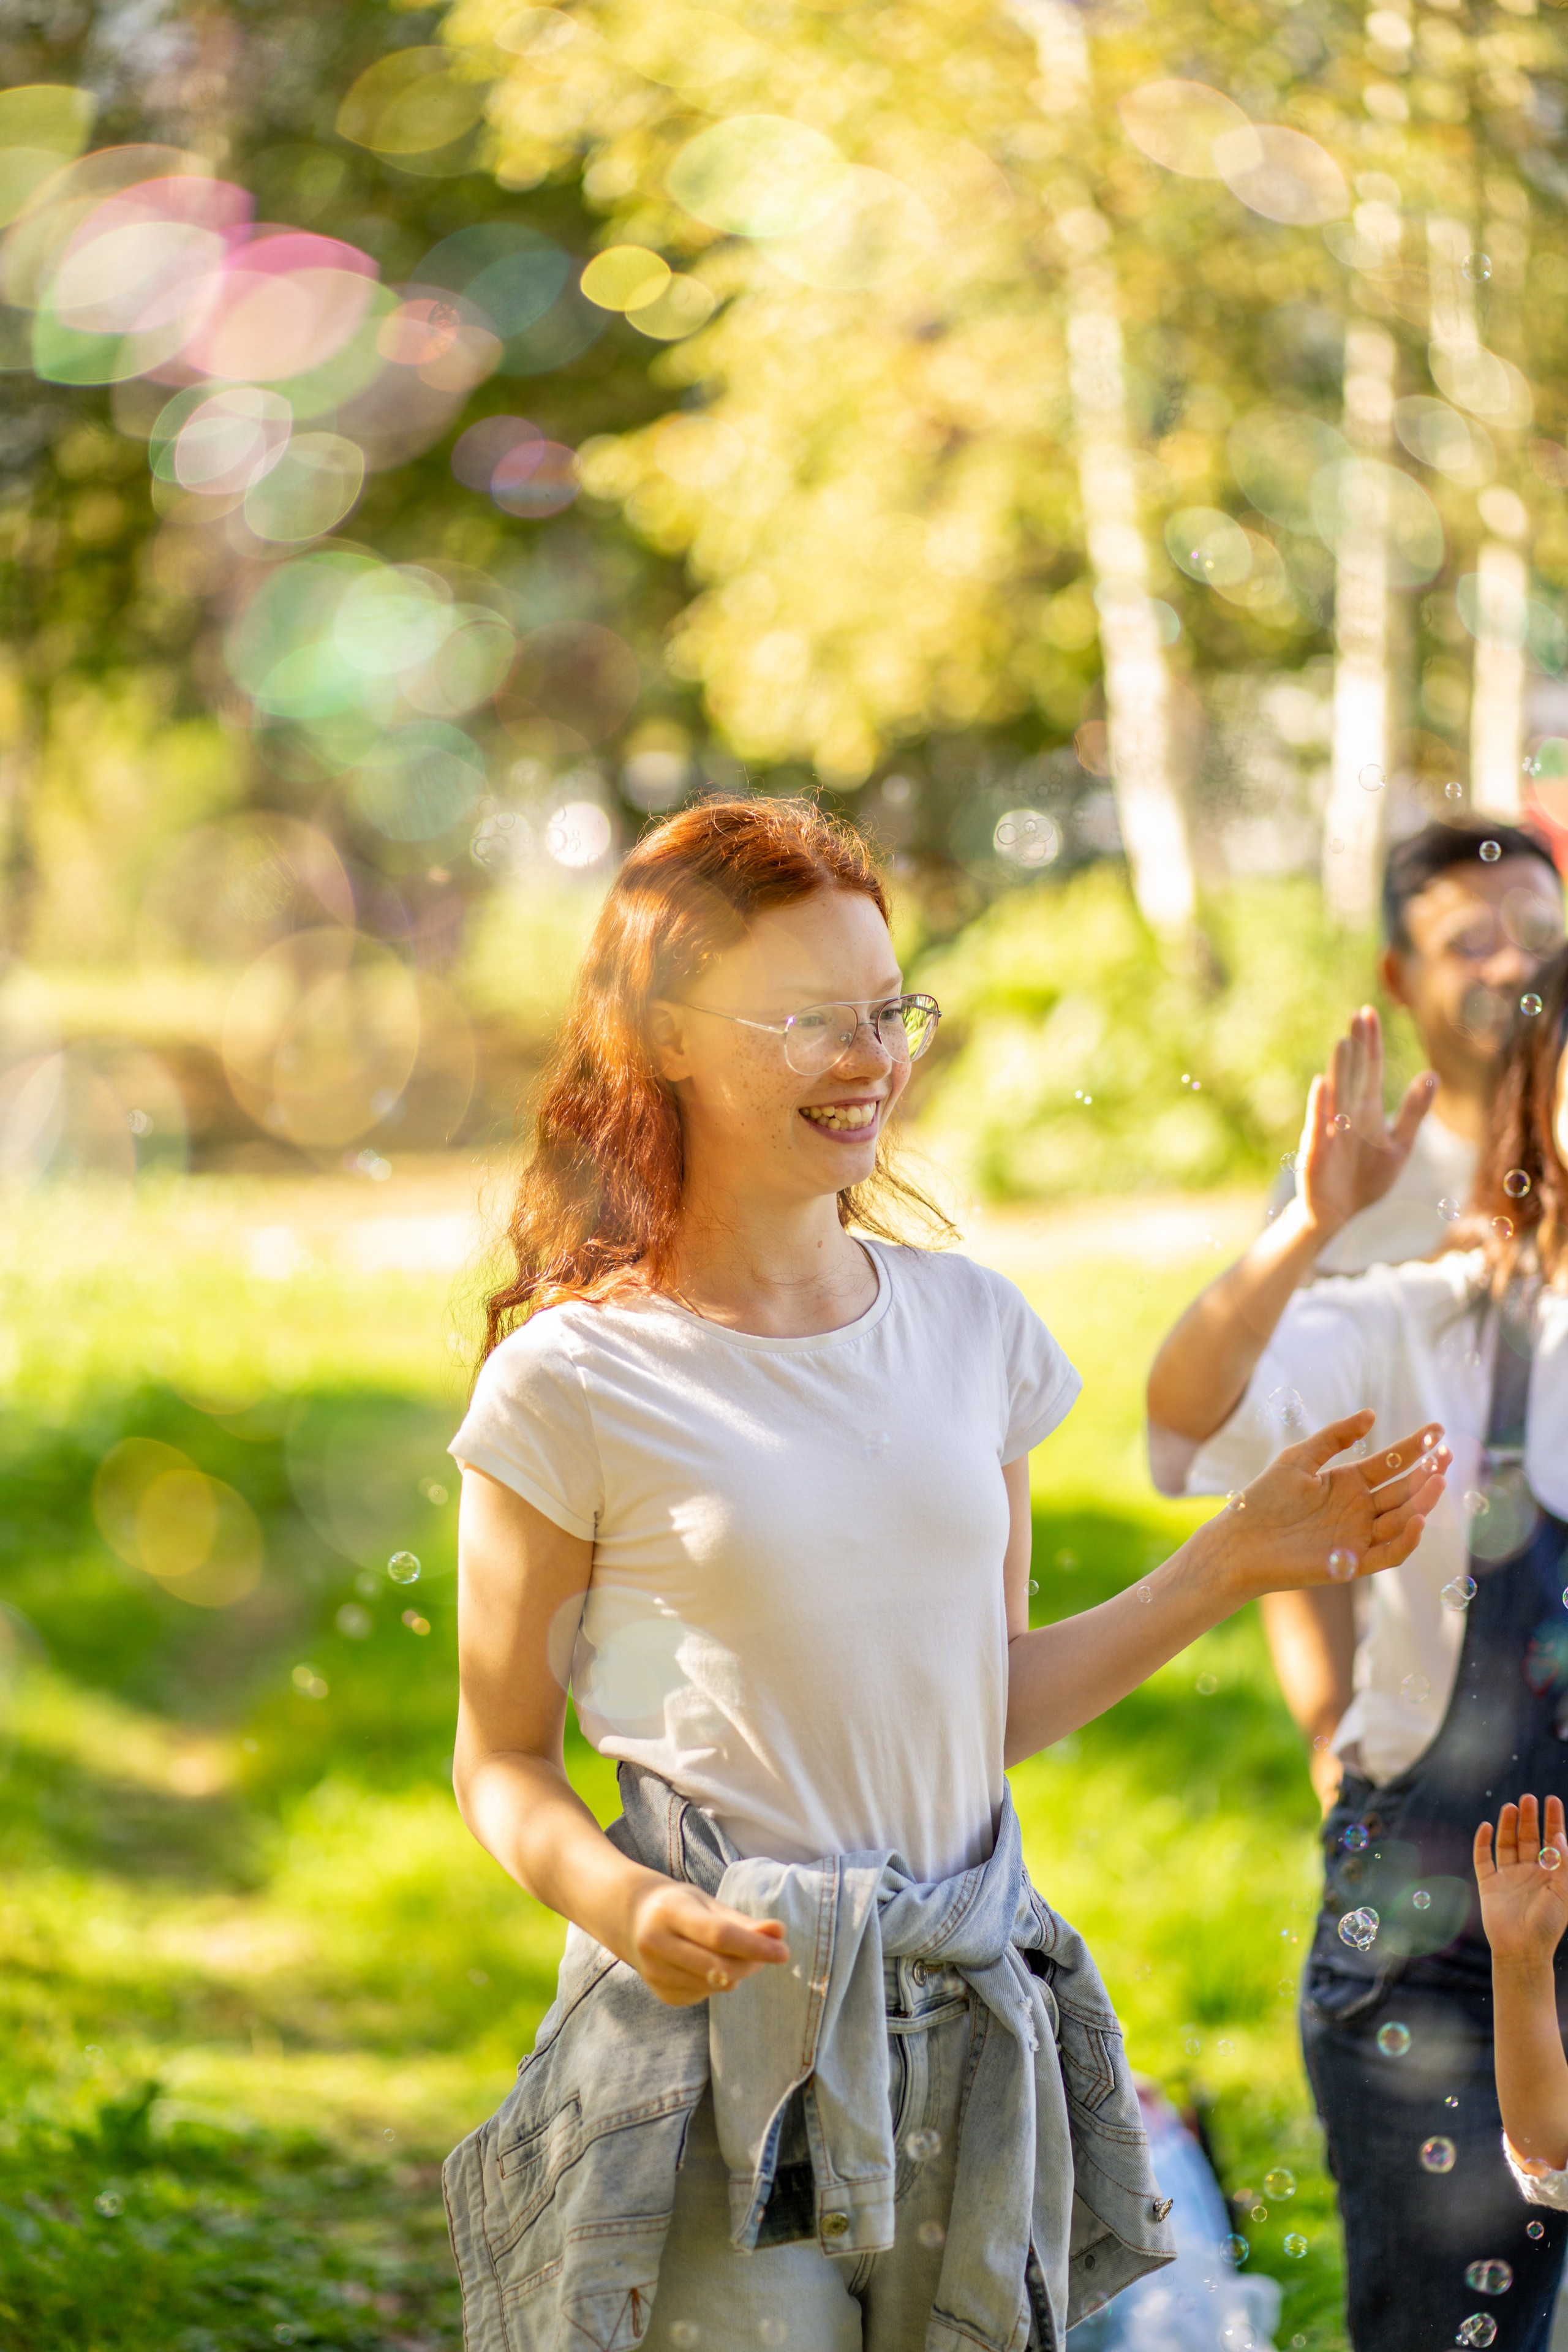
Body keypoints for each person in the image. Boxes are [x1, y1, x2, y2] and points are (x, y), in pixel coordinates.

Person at [437, 797, 1444, 2351]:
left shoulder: (974, 1332)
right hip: (716, 2057)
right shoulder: (573, 1383)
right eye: (807, 1021)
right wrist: (624, 1903)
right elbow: (500, 1759)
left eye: (884, 1012)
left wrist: (1229, 1562)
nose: (867, 1061)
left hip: (969, 2037)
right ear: (668, 1041)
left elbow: (984, 1705)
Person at [1146, 940, 1568, 2351]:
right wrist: (1307, 1229)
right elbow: (1189, 1421)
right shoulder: (1440, 1322)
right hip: (1434, 1947)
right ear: (1540, 1092)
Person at [1151, 818, 1564, 1811]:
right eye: (1470, 941)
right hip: (1428, 1727)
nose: (1512, 962)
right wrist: (1328, 1725)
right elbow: (1266, 1467)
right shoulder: (1355, 1198)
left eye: (1541, 932)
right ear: (1398, 974)